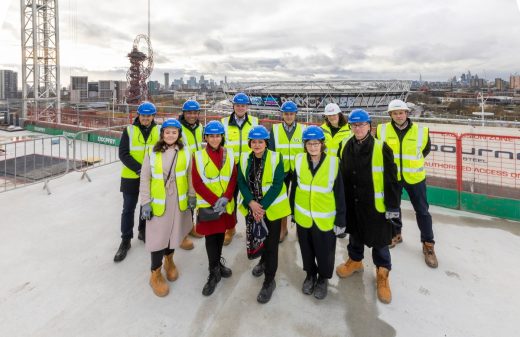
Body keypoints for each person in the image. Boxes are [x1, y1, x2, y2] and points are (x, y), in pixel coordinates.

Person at [336, 109, 400, 304]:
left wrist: (392, 207)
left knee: (380, 242)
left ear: (369, 126)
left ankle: (382, 274)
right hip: (353, 202)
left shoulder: (382, 148)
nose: (357, 128)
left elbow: (391, 181)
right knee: (355, 235)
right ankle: (355, 261)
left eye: (361, 125)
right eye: (354, 125)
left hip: (375, 206)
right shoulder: (344, 144)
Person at [375, 99, 438, 268]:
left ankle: (428, 244)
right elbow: (378, 150)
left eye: (401, 112)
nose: (398, 116)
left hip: (415, 178)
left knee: (422, 211)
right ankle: (396, 234)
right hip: (393, 177)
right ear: (390, 115)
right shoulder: (382, 130)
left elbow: (425, 150)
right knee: (393, 208)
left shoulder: (421, 131)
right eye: (395, 113)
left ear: (407, 113)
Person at [139, 118, 194, 297]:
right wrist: (145, 202)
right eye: (167, 132)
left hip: (178, 202)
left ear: (179, 135)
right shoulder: (151, 152)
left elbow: (190, 175)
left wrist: (192, 195)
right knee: (158, 238)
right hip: (159, 203)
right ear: (162, 134)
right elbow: (145, 178)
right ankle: (155, 273)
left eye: (174, 132)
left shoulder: (186, 152)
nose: (170, 135)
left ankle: (169, 261)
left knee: (173, 234)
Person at [290, 125, 346, 300]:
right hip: (303, 217)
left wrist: (341, 220)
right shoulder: (298, 160)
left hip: (325, 219)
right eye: (309, 143)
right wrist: (292, 212)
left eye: (316, 143)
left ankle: (323, 279)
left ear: (322, 144)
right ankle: (310, 274)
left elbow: (340, 194)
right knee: (306, 250)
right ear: (305, 145)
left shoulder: (333, 163)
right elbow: (295, 188)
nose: (313, 147)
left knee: (325, 252)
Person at [237, 125, 290, 304]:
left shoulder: (276, 158)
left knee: (271, 244)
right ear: (250, 143)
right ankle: (263, 262)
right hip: (252, 208)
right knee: (258, 238)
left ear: (266, 143)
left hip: (272, 210)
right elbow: (241, 182)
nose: (257, 144)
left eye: (260, 141)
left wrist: (261, 207)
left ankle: (269, 281)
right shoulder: (244, 158)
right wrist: (251, 203)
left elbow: (277, 185)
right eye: (254, 141)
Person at [191, 120, 237, 296]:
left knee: (220, 236)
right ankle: (213, 272)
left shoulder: (229, 154)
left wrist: (226, 197)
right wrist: (214, 200)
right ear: (206, 137)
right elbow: (197, 182)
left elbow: (232, 177)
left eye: (218, 136)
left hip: (224, 205)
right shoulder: (198, 156)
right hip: (210, 207)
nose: (215, 139)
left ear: (222, 137)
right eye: (211, 136)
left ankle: (218, 264)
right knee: (211, 239)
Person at [114, 101, 160, 262]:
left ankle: (143, 230)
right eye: (143, 115)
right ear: (138, 115)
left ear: (153, 116)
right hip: (131, 176)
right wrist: (140, 169)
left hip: (152, 178)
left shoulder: (159, 131)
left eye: (149, 115)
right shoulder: (130, 130)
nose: (146, 118)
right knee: (128, 208)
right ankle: (125, 240)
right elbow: (123, 153)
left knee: (146, 205)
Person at [221, 92, 259, 245]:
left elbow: (260, 143)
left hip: (248, 167)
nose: (240, 108)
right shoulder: (223, 123)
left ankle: (251, 228)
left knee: (250, 199)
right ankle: (230, 228)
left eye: (243, 105)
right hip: (229, 168)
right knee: (230, 200)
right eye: (238, 105)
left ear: (247, 107)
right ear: (233, 106)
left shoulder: (255, 122)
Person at [268, 101, 305, 242]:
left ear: (295, 114)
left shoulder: (302, 129)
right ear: (282, 115)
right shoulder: (275, 129)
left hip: (297, 171)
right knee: (281, 201)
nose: (289, 116)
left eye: (291, 114)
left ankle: (299, 228)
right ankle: (283, 229)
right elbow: (271, 151)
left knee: (298, 200)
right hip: (281, 171)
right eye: (286, 114)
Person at [177, 99, 205, 250]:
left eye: (195, 113)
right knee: (182, 201)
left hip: (195, 168)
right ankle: (182, 234)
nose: (192, 115)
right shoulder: (178, 128)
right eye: (189, 113)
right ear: (184, 113)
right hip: (182, 170)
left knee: (192, 200)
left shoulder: (199, 127)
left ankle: (190, 227)